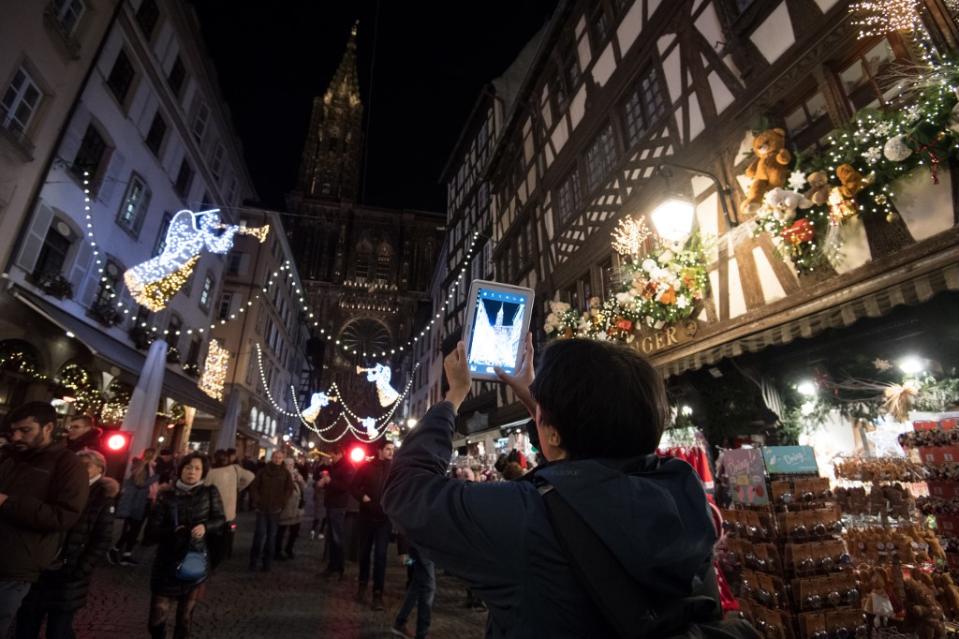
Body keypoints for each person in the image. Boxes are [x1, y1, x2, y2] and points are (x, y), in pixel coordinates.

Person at [383, 336, 756, 638]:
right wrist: (539, 399)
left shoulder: (528, 516)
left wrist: (453, 397)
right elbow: (582, 466)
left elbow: (406, 489)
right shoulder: (683, 493)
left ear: (552, 430)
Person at [0, 402, 89, 637]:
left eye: (25, 430)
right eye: (13, 431)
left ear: (48, 427)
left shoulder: (68, 464)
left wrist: (8, 503)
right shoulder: (10, 458)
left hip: (17, 566)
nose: (17, 436)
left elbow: (64, 516)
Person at [15, 450, 118, 639]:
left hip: (69, 572)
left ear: (100, 469)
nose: (79, 469)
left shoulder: (102, 498)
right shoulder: (59, 488)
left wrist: (80, 569)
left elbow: (102, 539)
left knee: (58, 628)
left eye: (86, 465)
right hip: (42, 567)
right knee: (27, 623)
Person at [143, 453, 225, 639]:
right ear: (181, 469)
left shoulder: (209, 492)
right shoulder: (166, 495)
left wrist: (205, 527)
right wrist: (172, 532)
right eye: (188, 467)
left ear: (203, 472)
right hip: (167, 561)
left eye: (197, 468)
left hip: (194, 560)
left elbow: (220, 520)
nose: (192, 472)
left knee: (184, 619)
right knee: (156, 619)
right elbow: (151, 532)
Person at [351, 441, 395, 611]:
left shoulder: (394, 470)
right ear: (380, 451)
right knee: (364, 552)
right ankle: (362, 585)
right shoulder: (367, 467)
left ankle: (378, 593)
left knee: (381, 556)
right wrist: (363, 498)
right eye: (388, 449)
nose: (391, 453)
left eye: (393, 450)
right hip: (367, 517)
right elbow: (353, 487)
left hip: (384, 519)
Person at [205, 449, 254, 567]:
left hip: (215, 510)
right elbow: (251, 476)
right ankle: (226, 552)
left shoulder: (211, 473)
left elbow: (204, 488)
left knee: (214, 534)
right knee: (229, 532)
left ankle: (213, 557)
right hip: (230, 509)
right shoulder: (235, 469)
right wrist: (239, 487)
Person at [110, 448, 159, 566]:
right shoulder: (143, 467)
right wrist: (156, 477)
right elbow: (140, 483)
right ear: (153, 455)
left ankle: (127, 554)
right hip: (137, 503)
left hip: (143, 502)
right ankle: (115, 549)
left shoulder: (149, 467)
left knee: (135, 530)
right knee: (132, 529)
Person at [247, 450, 293, 572]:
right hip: (262, 508)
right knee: (259, 535)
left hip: (275, 509)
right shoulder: (263, 471)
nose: (277, 459)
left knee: (271, 537)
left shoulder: (285, 473)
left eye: (280, 457)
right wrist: (257, 500)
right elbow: (254, 487)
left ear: (282, 459)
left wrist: (282, 501)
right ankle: (253, 561)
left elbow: (289, 489)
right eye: (275, 457)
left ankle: (267, 563)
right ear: (272, 457)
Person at [318, 448, 353, 579]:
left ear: (340, 454)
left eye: (333, 456)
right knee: (332, 537)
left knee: (337, 537)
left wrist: (330, 481)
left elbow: (345, 486)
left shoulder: (347, 467)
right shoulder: (335, 466)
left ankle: (338, 567)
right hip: (332, 504)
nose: (331, 458)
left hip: (338, 506)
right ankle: (333, 565)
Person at [391, 542, 435, 639]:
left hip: (417, 544)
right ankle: (421, 634)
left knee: (418, 582)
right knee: (428, 586)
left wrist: (402, 551)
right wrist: (402, 551)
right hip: (423, 544)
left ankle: (400, 622)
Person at [275, 458, 305, 561]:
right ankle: (277, 551)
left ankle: (289, 549)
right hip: (286, 508)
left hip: (296, 509)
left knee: (294, 531)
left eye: (292, 464)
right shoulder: (281, 475)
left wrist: (300, 481)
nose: (290, 466)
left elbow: (304, 488)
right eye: (288, 464)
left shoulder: (296, 475)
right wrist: (290, 480)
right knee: (281, 531)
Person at [310, 467, 328, 541]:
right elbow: (315, 487)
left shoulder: (328, 482)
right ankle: (314, 530)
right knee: (317, 517)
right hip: (320, 502)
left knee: (323, 517)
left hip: (324, 502)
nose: (324, 475)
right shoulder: (318, 482)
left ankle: (320, 531)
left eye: (326, 474)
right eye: (323, 474)